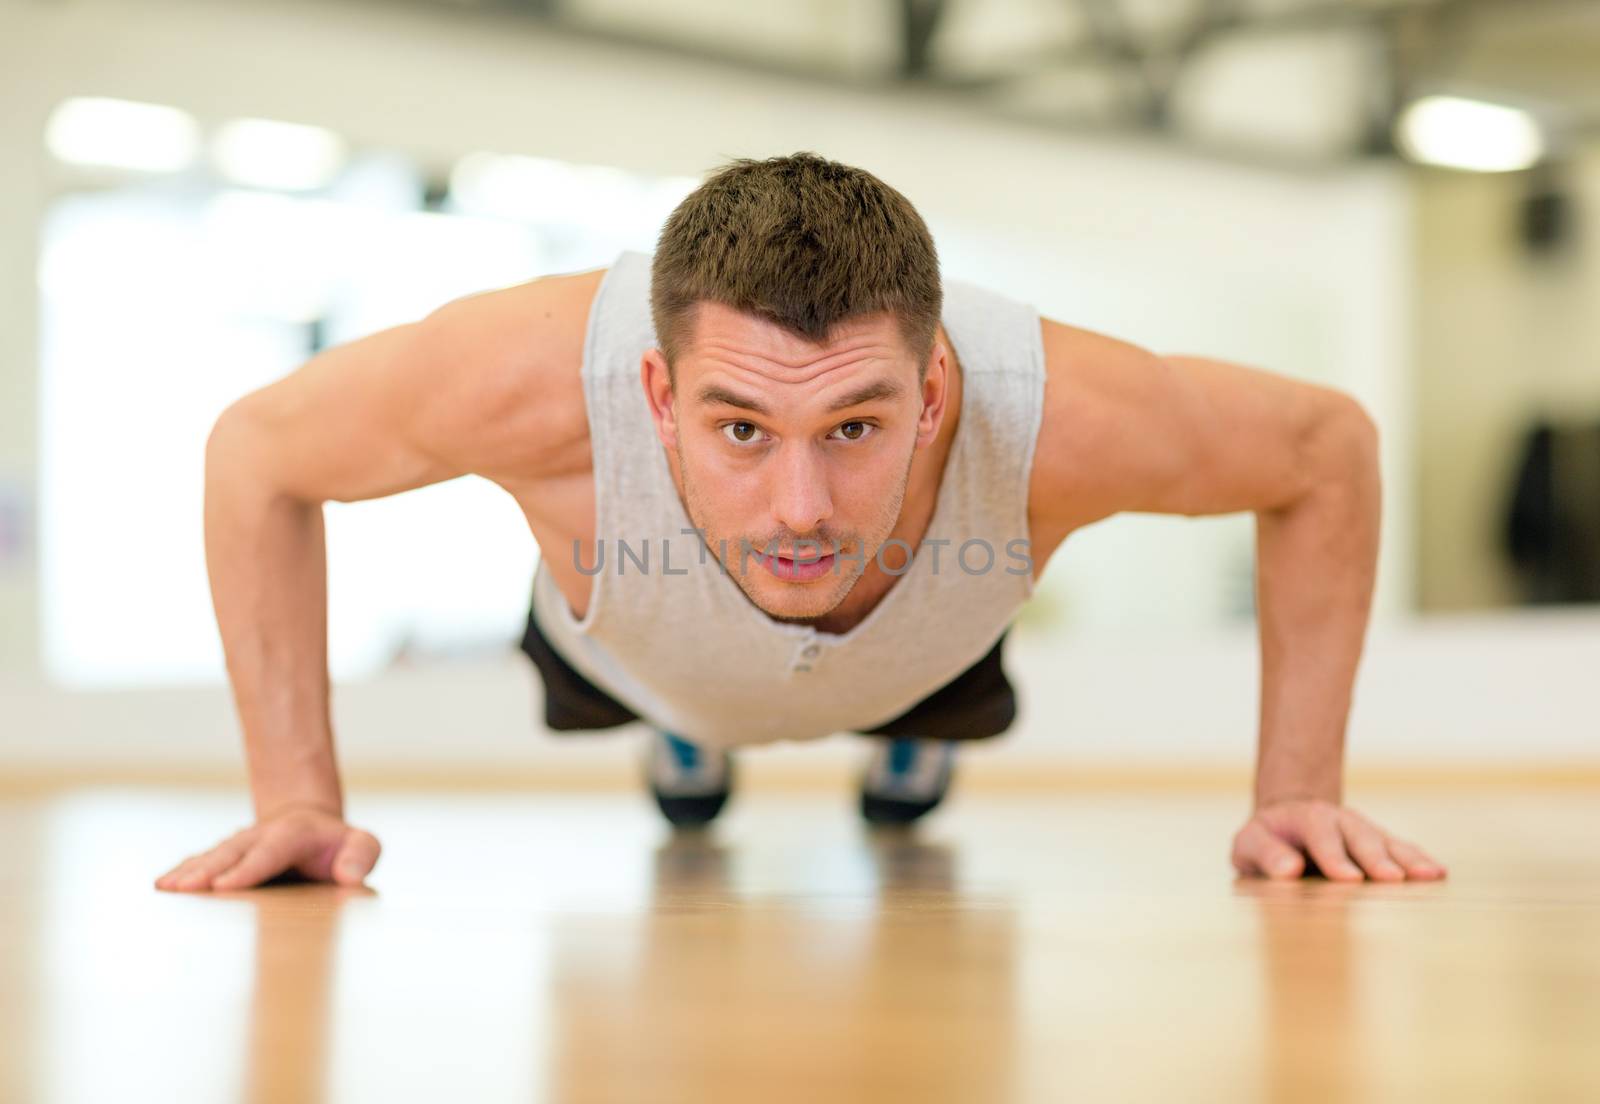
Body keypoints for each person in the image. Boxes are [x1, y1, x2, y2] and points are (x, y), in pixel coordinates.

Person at [155, 152, 1447, 893]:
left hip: (927, 645)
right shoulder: (530, 378)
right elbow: (256, 454)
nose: (800, 508)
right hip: (629, 647)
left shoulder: (1051, 412)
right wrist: (296, 796)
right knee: (694, 697)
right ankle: (688, 744)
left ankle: (900, 736)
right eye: (739, 431)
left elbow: (1327, 452)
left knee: (907, 663)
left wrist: (1296, 793)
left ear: (937, 391)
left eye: (857, 429)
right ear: (655, 395)